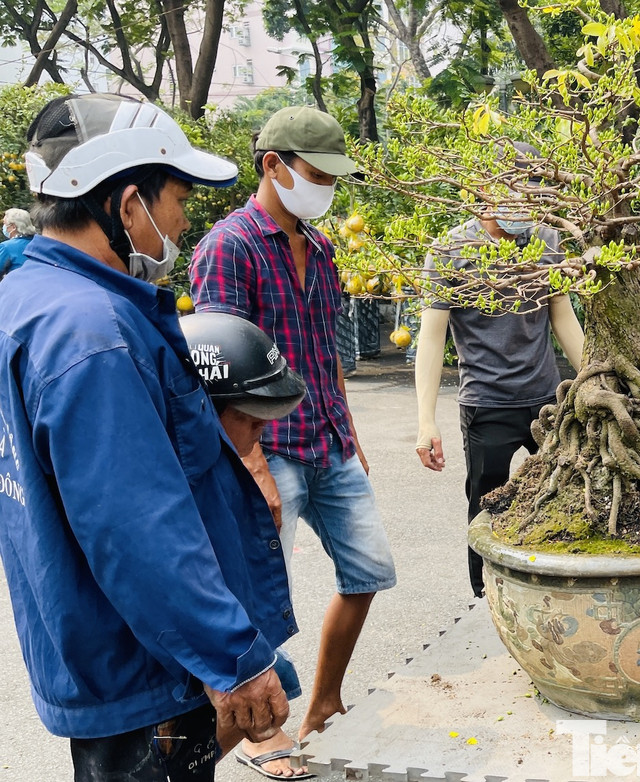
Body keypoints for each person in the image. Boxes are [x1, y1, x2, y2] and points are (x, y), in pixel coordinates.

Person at [0, 92, 293, 781]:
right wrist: (235, 662)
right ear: (128, 205)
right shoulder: (92, 334)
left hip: (93, 644)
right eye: (179, 199)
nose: (186, 221)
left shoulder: (27, 296)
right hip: (144, 670)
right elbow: (138, 527)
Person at [190, 106, 397, 751]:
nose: (327, 188)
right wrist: (249, 466)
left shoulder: (322, 244)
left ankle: (325, 699)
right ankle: (259, 733)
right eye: (317, 174)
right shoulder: (230, 246)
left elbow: (324, 346)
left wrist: (349, 426)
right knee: (251, 595)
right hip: (267, 448)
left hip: (326, 438)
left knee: (368, 570)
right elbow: (220, 370)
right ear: (273, 166)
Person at [413, 142, 584, 599]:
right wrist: (426, 421)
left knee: (567, 486)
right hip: (486, 402)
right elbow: (431, 339)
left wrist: (595, 376)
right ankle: (485, 593)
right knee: (485, 503)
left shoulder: (547, 241)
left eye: (532, 190)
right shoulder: (450, 249)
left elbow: (562, 316)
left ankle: (560, 579)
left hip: (548, 397)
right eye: (515, 188)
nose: (525, 201)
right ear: (483, 191)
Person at [181, 311, 314, 780]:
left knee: (278, 681)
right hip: (199, 644)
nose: (260, 436)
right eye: (251, 424)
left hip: (224, 636)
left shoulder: (219, 466)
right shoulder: (180, 484)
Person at [0, 207, 36, 278]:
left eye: (4, 223)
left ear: (13, 227)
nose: (3, 227)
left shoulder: (6, 247)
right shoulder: (40, 243)